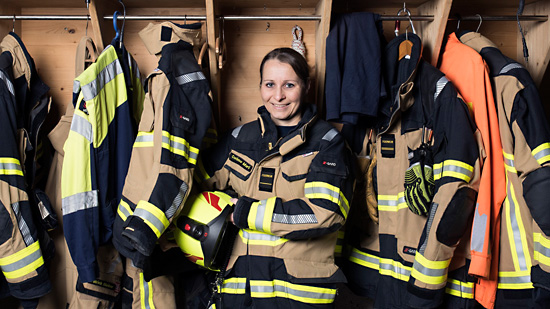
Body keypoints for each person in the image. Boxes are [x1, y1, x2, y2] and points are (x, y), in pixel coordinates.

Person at [196, 47, 355, 308]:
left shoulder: (328, 143)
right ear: (260, 86)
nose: (278, 96)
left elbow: (326, 213)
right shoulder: (239, 139)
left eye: (289, 85)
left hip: (296, 297)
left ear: (306, 86)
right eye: (270, 84)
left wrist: (248, 214)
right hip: (239, 292)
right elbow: (196, 186)